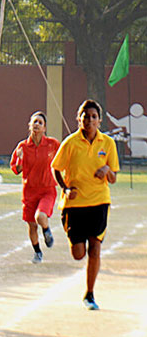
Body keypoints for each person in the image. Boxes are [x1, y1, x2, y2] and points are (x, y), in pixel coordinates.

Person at [51, 99, 119, 310]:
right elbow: (56, 168)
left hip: (99, 202)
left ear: (99, 121)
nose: (89, 120)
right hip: (75, 205)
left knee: (95, 248)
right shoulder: (70, 143)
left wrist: (107, 171)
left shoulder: (108, 143)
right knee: (78, 253)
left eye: (93, 117)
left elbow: (114, 177)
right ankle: (75, 243)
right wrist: (65, 188)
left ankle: (89, 294)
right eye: (86, 117)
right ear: (79, 119)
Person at [10, 111, 60, 263]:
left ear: (44, 128)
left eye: (40, 122)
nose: (37, 124)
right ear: (30, 125)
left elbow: (64, 157)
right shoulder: (23, 146)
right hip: (29, 191)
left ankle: (47, 231)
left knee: (40, 217)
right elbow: (16, 170)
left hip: (47, 189)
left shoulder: (52, 144)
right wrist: (20, 159)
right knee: (32, 226)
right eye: (34, 122)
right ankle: (37, 252)